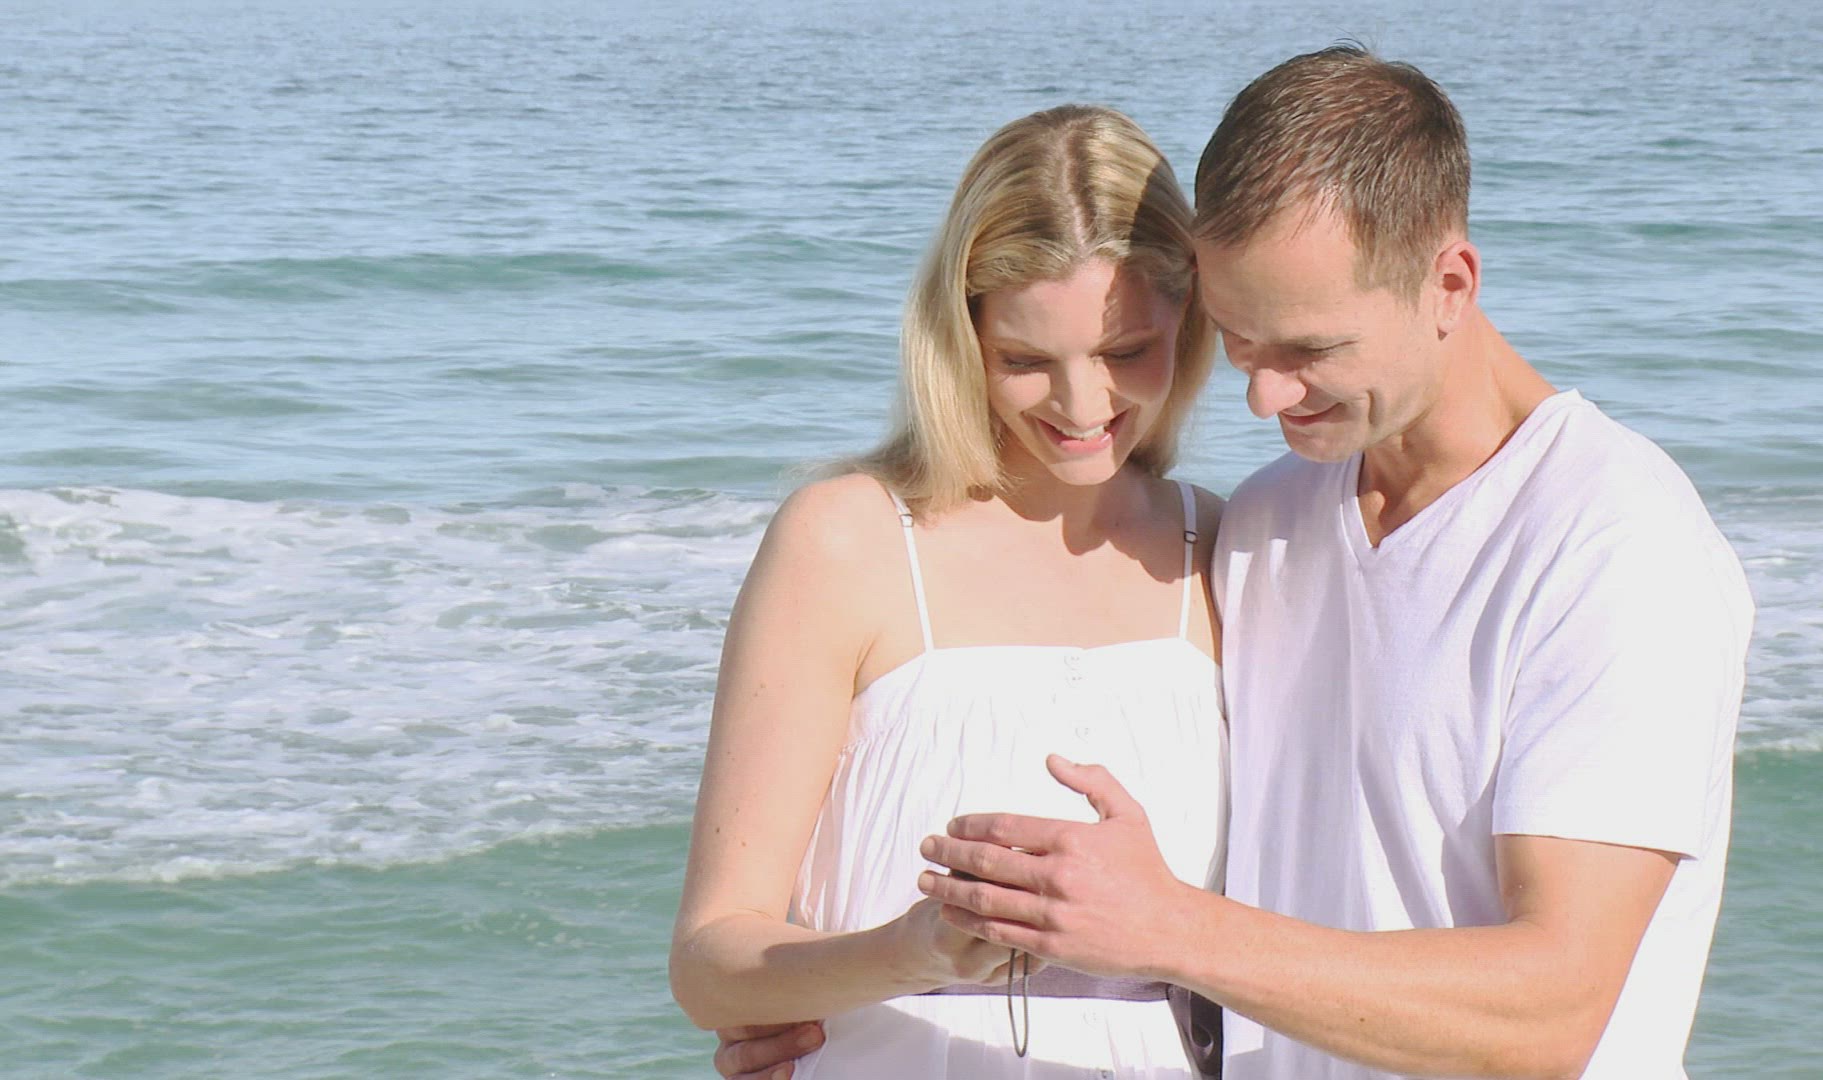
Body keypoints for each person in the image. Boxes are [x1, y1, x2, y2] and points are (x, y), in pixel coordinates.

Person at [720, 45, 1753, 1080]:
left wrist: (1168, 928)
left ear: (1450, 284)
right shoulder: (1266, 523)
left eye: (1310, 350)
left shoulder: (1614, 543)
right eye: (1240, 343)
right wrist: (829, 1003)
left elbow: (1553, 1015)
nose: (1265, 398)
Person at [669, 104, 1229, 1079]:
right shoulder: (845, 541)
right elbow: (710, 966)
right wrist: (915, 949)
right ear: (962, 334)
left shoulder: (1226, 549)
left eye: (1125, 351)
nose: (1083, 405)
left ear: (1190, 316)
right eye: (1026, 361)